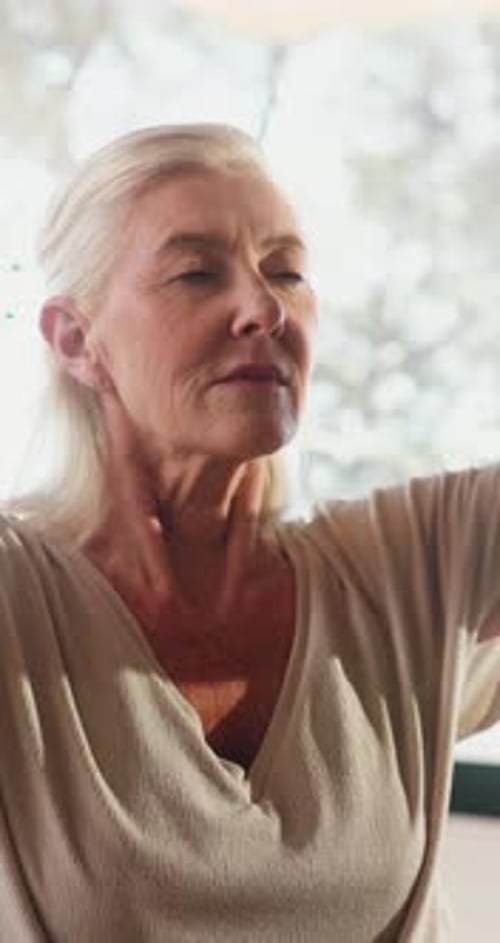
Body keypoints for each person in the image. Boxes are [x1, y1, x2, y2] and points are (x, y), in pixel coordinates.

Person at [0, 123, 499, 943]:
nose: (264, 307)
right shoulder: (21, 597)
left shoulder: (414, 566)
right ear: (77, 341)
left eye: (288, 271)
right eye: (197, 273)